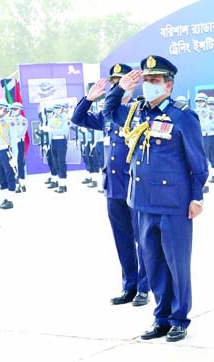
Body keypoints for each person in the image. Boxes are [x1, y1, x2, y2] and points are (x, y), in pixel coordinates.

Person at [105, 55, 208, 342]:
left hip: (174, 203)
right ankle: (161, 317)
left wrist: (197, 197)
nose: (148, 85)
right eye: (146, 81)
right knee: (152, 263)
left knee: (176, 263)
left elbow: (198, 162)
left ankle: (179, 318)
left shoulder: (182, 116)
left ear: (169, 85)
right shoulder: (136, 112)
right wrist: (119, 89)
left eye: (154, 81)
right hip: (142, 203)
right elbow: (108, 114)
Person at [74, 70, 149, 308]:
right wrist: (88, 99)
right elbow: (77, 118)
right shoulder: (106, 117)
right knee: (123, 240)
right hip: (113, 187)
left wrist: (117, 93)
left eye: (125, 82)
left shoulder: (140, 112)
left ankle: (144, 288)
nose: (120, 86)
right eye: (116, 83)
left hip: (135, 186)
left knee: (142, 240)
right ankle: (129, 285)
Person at [0, 101, 17, 209]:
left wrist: (14, 157)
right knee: (1, 177)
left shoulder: (10, 122)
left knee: (9, 175)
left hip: (7, 151)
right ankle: (4, 199)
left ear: (5, 109)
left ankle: (10, 200)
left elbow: (14, 140)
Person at [46, 103, 71, 193]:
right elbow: (49, 132)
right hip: (53, 142)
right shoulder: (52, 118)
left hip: (61, 141)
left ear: (62, 109)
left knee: (61, 162)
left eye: (58, 108)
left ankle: (63, 185)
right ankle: (58, 181)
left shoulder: (66, 118)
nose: (56, 110)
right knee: (55, 162)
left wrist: (52, 130)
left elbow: (64, 131)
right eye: (55, 108)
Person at [196, 92, 214, 192]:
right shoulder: (194, 112)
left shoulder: (211, 113)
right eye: (197, 101)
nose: (199, 103)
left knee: (209, 158)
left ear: (205, 102)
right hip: (198, 137)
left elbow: (213, 125)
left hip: (209, 136)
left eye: (201, 101)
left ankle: (207, 181)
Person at [9, 102, 29, 193]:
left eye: (15, 109)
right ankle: (15, 183)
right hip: (10, 144)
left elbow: (20, 132)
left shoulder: (23, 120)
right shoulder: (9, 120)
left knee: (19, 163)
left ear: (20, 110)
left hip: (18, 143)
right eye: (12, 109)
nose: (13, 111)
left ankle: (22, 184)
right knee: (12, 164)